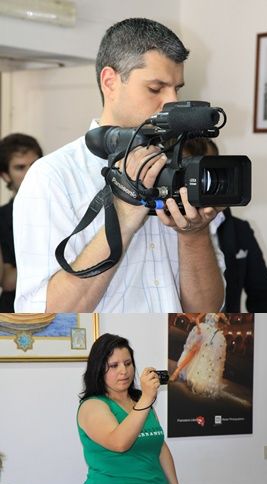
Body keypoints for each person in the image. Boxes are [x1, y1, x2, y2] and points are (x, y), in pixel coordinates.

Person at [13, 18, 225, 313]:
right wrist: (123, 216)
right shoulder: (52, 177)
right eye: (156, 88)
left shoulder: (180, 171)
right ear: (110, 82)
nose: (172, 102)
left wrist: (194, 235)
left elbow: (206, 310)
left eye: (177, 89)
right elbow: (44, 316)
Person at [77, 333, 182, 484]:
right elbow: (119, 443)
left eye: (128, 363)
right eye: (113, 366)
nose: (124, 371)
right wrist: (146, 398)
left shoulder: (141, 401)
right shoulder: (92, 405)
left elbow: (159, 446)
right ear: (98, 369)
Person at [182, 137, 267, 312]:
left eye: (206, 170)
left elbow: (264, 296)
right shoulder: (162, 225)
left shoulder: (240, 230)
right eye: (190, 172)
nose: (198, 181)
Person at [0, 133, 43, 312]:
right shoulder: (2, 217)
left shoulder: (66, 207)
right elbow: (8, 280)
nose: (30, 173)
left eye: (34, 165)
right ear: (5, 175)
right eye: (20, 167)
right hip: (14, 311)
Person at [170, 313, 228, 396]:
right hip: (203, 331)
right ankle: (176, 372)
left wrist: (222, 324)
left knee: (203, 356)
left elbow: (226, 323)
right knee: (193, 351)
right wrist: (199, 328)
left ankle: (194, 377)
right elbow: (197, 319)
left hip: (212, 336)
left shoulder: (220, 314)